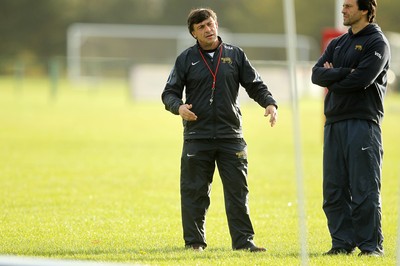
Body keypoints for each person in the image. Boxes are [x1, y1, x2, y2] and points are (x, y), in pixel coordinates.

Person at [161, 8, 278, 252]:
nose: (208, 29)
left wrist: (269, 102)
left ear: (217, 24)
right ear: (194, 33)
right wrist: (178, 107)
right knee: (194, 193)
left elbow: (254, 84)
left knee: (238, 193)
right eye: (201, 27)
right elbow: (169, 93)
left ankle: (244, 243)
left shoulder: (236, 55)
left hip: (231, 136)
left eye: (210, 24)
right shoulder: (186, 59)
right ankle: (194, 243)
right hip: (197, 136)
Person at [311, 0, 390, 257]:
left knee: (363, 186)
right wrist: (346, 73)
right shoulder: (337, 43)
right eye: (342, 5)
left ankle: (370, 246)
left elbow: (363, 79)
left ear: (365, 9)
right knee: (333, 188)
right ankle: (341, 243)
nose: (342, 10)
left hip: (362, 122)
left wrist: (334, 76)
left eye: (348, 6)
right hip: (333, 122)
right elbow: (316, 74)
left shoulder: (377, 43)